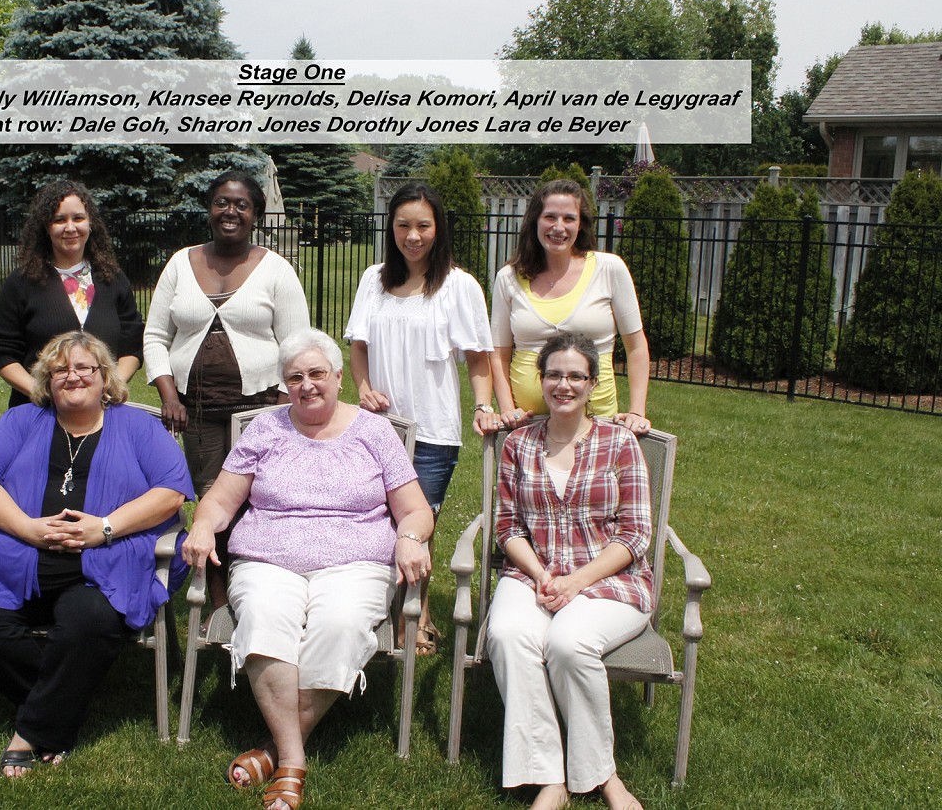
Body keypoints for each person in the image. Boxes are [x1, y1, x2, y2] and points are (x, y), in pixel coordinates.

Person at [182, 329, 434, 810]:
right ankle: (294, 762)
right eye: (294, 377)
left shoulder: (374, 432)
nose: (307, 385)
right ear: (284, 384)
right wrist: (201, 527)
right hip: (267, 559)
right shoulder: (265, 430)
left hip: (355, 563)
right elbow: (220, 498)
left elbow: (416, 511)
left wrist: (408, 538)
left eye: (317, 373)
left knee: (340, 624)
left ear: (339, 377)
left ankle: (276, 750)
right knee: (262, 615)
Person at [0, 331, 193, 778]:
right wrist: (28, 529)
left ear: (105, 378)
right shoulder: (20, 422)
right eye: (61, 369)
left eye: (85, 368)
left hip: (101, 567)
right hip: (19, 561)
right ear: (46, 379)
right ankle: (63, 704)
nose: (73, 376)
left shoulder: (136, 426)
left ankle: (34, 728)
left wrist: (104, 527)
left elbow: (172, 492)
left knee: (88, 618)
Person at [486, 332, 653, 810]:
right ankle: (548, 778)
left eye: (576, 375)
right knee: (508, 633)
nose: (564, 384)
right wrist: (541, 575)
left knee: (568, 641)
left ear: (593, 384)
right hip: (534, 573)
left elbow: (635, 533)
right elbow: (507, 526)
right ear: (541, 381)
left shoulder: (619, 443)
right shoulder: (518, 445)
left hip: (610, 581)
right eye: (555, 374)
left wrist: (576, 582)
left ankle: (603, 776)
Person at [145, 169, 309, 606]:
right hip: (194, 408)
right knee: (208, 497)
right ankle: (216, 596)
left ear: (255, 214)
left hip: (256, 410)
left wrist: (278, 408)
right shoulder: (181, 263)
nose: (230, 211)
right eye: (221, 202)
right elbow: (155, 337)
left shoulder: (276, 270)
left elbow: (295, 345)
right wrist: (168, 395)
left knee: (255, 500)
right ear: (209, 208)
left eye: (241, 204)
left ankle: (257, 589)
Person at [345, 181, 496, 656]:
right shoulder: (374, 279)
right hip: (380, 428)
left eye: (423, 226)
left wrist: (482, 405)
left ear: (438, 229)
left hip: (432, 429)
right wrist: (364, 389)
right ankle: (374, 606)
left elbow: (477, 357)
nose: (413, 235)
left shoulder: (459, 285)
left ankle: (418, 612)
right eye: (404, 225)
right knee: (377, 519)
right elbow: (358, 346)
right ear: (391, 228)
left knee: (420, 522)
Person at [490, 178, 652, 435]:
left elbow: (636, 346)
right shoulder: (508, 278)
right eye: (550, 217)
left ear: (581, 224)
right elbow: (498, 354)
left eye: (569, 218)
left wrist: (636, 411)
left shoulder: (609, 268)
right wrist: (507, 408)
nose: (558, 227)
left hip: (597, 420)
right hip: (525, 426)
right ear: (535, 221)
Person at [0, 179, 144, 408]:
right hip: (39, 412)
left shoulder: (113, 279)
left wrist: (112, 385)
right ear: (46, 227)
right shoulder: (22, 283)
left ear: (90, 223)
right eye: (59, 220)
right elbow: (0, 351)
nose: (70, 228)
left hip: (102, 412)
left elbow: (132, 345)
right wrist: (40, 392)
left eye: (78, 218)